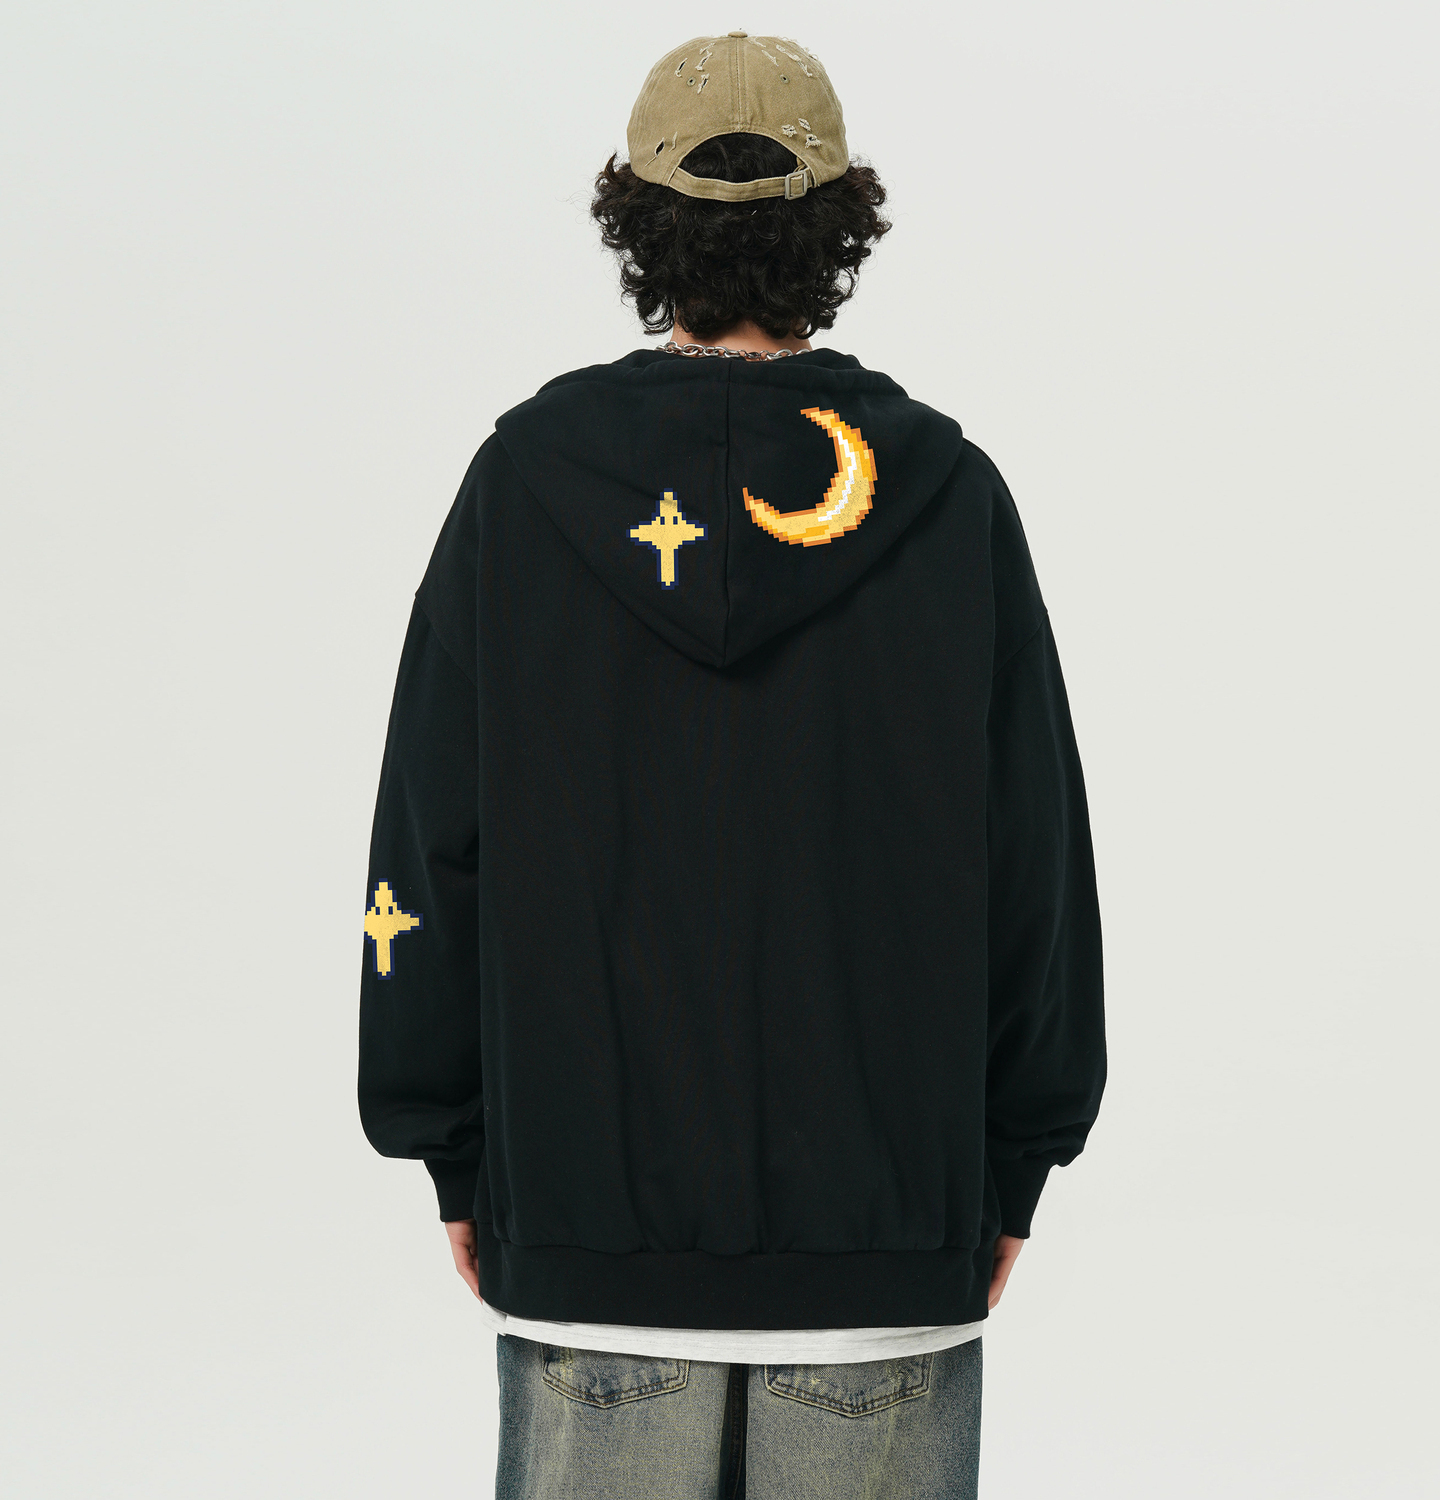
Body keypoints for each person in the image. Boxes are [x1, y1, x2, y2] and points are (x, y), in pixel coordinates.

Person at [358, 30, 1106, 1499]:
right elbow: (1038, 869)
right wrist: (1020, 1155)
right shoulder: (947, 496)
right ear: (836, 230)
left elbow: (428, 844)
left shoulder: (525, 484)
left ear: (640, 225)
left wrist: (449, 1145)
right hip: (888, 1239)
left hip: (585, 1231)